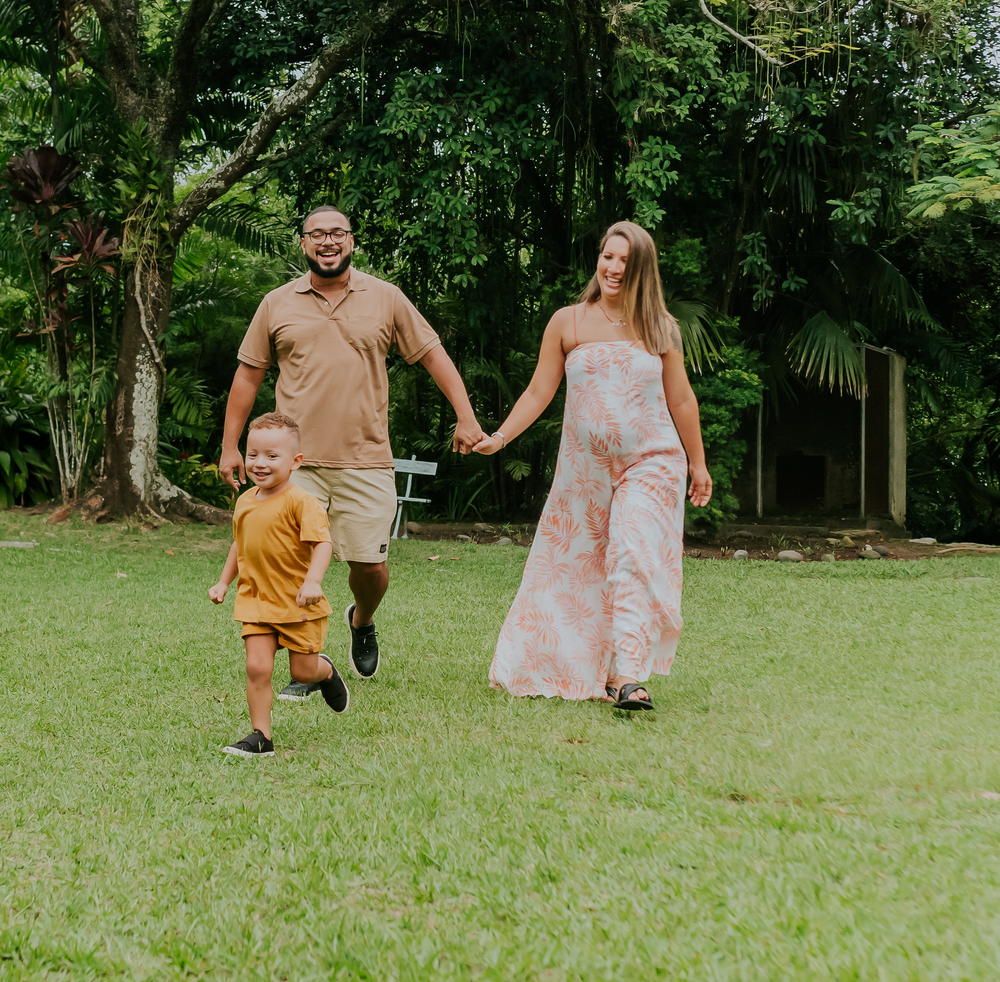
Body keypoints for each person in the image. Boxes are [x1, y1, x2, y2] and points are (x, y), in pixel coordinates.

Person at [220, 205, 483, 687]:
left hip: (366, 458)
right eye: (316, 234)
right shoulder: (277, 303)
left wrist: (466, 417)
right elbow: (248, 374)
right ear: (303, 244)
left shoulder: (385, 298)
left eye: (337, 233)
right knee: (290, 563)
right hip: (293, 464)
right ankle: (306, 659)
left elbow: (432, 354)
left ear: (351, 241)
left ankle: (361, 621)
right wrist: (230, 446)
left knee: (371, 566)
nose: (327, 241)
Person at [477, 221, 712, 713]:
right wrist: (499, 437)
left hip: (652, 460)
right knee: (574, 565)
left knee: (632, 552)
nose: (613, 268)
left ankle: (629, 677)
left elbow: (682, 398)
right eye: (608, 257)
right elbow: (539, 391)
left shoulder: (660, 327)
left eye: (625, 261)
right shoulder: (569, 322)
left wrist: (698, 462)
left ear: (642, 270)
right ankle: (586, 666)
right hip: (584, 469)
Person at [208, 410, 351, 758]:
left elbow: (323, 544)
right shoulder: (244, 501)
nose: (260, 463)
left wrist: (313, 581)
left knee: (302, 671)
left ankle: (326, 672)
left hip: (298, 602)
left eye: (272, 456)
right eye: (253, 454)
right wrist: (224, 582)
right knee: (257, 667)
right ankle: (261, 736)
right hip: (256, 600)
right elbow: (239, 544)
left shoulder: (301, 502)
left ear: (295, 461)